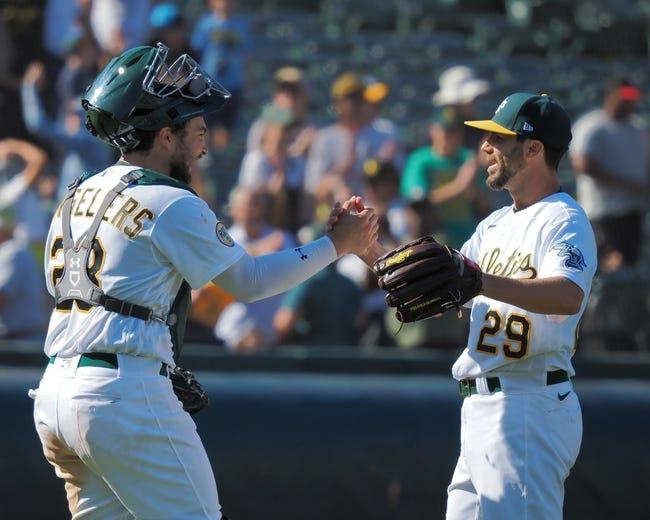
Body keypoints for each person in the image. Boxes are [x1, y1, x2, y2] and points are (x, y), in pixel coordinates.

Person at [31, 43, 378, 520]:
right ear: (166, 135)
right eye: (197, 128)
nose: (205, 144)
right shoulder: (169, 200)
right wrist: (337, 245)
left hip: (54, 394)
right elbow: (249, 281)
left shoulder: (75, 195)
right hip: (121, 393)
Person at [334, 92, 597, 518]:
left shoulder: (563, 219)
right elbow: (431, 285)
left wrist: (479, 280)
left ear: (533, 149)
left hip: (529, 404)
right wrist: (365, 248)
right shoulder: (493, 224)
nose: (484, 148)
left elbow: (568, 296)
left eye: (498, 138)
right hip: (481, 408)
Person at [569, 77, 650, 272]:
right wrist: (627, 184)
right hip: (602, 212)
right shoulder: (592, 126)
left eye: (632, 97)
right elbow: (583, 165)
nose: (629, 102)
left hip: (633, 212)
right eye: (624, 96)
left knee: (628, 271)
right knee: (608, 267)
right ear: (610, 95)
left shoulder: (638, 129)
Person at [400, 106, 486, 249]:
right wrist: (459, 185)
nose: (448, 136)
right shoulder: (420, 160)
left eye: (454, 131)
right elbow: (418, 204)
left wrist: (474, 190)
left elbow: (485, 207)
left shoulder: (469, 159)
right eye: (444, 130)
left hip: (469, 238)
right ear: (432, 130)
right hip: (433, 240)